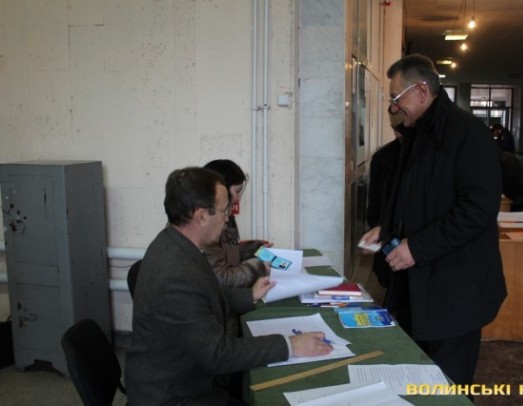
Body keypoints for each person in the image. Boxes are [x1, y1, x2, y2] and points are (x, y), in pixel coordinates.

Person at [125, 167, 332, 405]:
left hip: (185, 376)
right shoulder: (176, 274)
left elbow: (203, 296)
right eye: (225, 210)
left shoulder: (174, 243)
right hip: (175, 395)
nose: (227, 218)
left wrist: (249, 294)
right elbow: (218, 355)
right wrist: (289, 345)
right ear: (201, 216)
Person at [359, 54, 506, 388]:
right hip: (417, 288)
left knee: (447, 385)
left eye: (397, 98)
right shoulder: (417, 135)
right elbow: (409, 197)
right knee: (416, 377)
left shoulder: (468, 134)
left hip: (456, 290)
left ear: (422, 91)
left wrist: (416, 247)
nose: (394, 107)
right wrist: (387, 228)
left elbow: (478, 209)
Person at [202, 159, 269, 288]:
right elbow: (222, 278)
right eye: (237, 191)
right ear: (221, 190)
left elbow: (226, 253)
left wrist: (253, 249)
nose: (239, 199)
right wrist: (258, 267)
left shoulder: (227, 216)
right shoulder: (205, 227)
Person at [366, 107, 407, 300]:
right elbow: (374, 207)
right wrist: (379, 231)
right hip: (390, 242)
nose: (399, 134)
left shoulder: (432, 156)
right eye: (395, 129)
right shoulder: (383, 158)